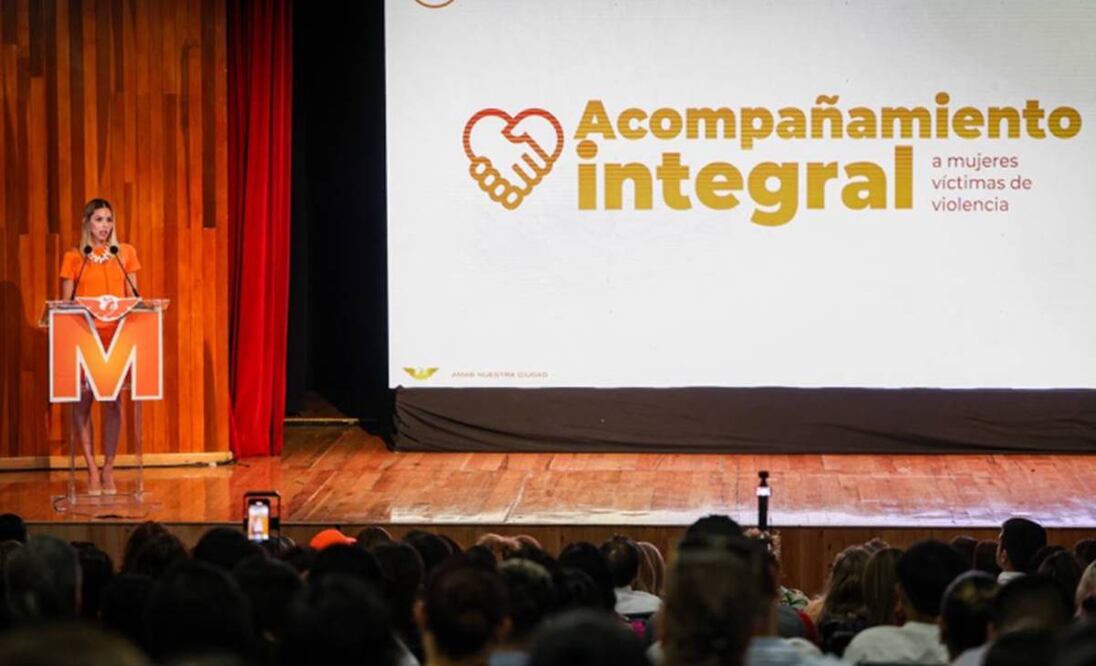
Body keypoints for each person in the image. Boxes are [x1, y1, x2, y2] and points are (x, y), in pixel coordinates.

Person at [59, 198, 141, 496]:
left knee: (113, 402)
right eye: (98, 220)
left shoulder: (125, 253)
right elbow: (64, 305)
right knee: (82, 402)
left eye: (108, 220)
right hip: (84, 337)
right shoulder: (73, 257)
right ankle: (91, 470)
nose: (104, 226)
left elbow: (135, 299)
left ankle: (108, 470)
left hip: (116, 339)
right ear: (87, 223)